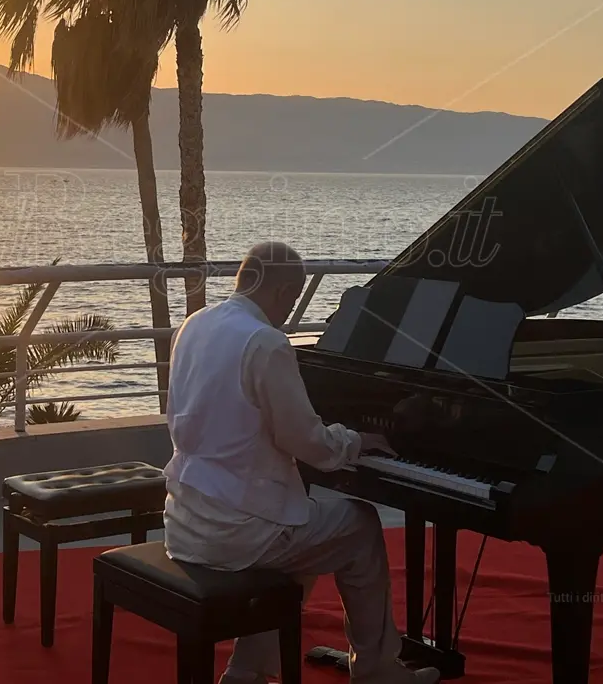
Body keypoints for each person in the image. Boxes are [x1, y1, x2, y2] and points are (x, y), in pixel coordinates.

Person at [163, 241, 441, 684]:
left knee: (307, 521)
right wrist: (357, 441)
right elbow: (306, 441)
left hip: (186, 517)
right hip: (239, 531)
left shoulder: (194, 324)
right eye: (292, 300)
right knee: (359, 525)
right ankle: (376, 669)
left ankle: (247, 671)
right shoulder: (266, 342)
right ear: (283, 291)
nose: (289, 312)